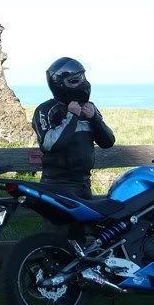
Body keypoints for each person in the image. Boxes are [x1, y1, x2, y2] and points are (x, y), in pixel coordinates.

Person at [32, 57, 115, 201]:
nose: (84, 83)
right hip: (57, 185)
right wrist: (72, 116)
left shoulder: (89, 107)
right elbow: (49, 144)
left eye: (83, 77)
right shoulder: (46, 110)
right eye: (76, 80)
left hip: (84, 184)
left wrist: (94, 118)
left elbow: (108, 142)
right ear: (59, 84)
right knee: (58, 217)